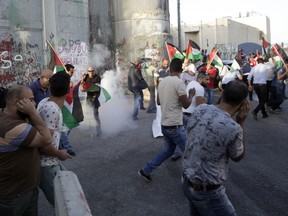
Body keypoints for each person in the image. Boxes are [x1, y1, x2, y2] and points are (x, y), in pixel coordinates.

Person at [182, 80, 250, 216]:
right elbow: (238, 156)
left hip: (187, 181)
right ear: (243, 103)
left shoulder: (201, 109)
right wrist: (241, 123)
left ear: (222, 93)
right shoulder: (233, 128)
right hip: (207, 192)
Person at [138, 58, 195, 181]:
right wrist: (191, 94)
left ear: (170, 68)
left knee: (167, 151)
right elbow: (186, 105)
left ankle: (146, 170)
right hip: (175, 126)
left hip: (164, 125)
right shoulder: (179, 82)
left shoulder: (162, 81)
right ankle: (193, 180)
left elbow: (158, 102)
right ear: (181, 69)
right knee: (191, 152)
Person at [0, 85, 52, 215]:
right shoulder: (11, 126)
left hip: (26, 190)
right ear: (17, 103)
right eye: (31, 100)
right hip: (14, 196)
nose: (34, 104)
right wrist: (33, 113)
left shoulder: (14, 118)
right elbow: (46, 139)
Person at [37, 71, 71, 207]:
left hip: (52, 162)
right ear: (68, 89)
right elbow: (44, 145)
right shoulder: (51, 109)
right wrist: (59, 153)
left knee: (70, 190)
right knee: (63, 205)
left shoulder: (46, 102)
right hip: (46, 165)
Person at [171, 72, 210, 161]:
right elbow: (200, 104)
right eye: (206, 79)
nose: (208, 82)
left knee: (182, 135)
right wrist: (205, 101)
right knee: (193, 136)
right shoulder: (200, 88)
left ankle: (176, 153)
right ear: (200, 79)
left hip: (184, 113)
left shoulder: (191, 83)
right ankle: (192, 156)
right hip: (191, 116)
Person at [59, 64, 77, 156]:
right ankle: (66, 147)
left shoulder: (67, 78)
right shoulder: (61, 78)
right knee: (64, 127)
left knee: (69, 125)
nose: (72, 74)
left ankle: (60, 144)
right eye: (71, 72)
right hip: (61, 106)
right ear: (66, 70)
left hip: (66, 105)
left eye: (73, 72)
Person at [81, 66, 102, 136]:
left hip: (95, 98)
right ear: (87, 71)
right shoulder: (86, 77)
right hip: (89, 98)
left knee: (96, 115)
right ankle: (90, 130)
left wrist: (86, 89)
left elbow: (97, 88)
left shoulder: (97, 78)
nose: (91, 72)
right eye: (89, 71)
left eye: (92, 71)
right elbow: (82, 86)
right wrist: (83, 79)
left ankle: (99, 131)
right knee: (88, 115)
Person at [152, 58, 170, 138]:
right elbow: (155, 81)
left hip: (169, 91)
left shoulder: (170, 70)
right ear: (162, 63)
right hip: (160, 90)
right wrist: (158, 90)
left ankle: (168, 126)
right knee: (159, 109)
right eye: (164, 64)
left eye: (167, 64)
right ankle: (160, 129)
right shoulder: (157, 70)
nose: (166, 65)